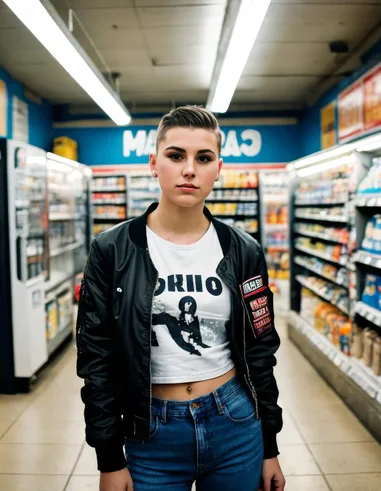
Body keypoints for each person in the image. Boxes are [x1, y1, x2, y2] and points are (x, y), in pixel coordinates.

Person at [76, 105, 285, 491]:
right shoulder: (111, 250)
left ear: (217, 169)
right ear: (155, 164)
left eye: (203, 158)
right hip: (150, 431)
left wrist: (269, 444)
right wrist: (109, 458)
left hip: (235, 424)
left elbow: (259, 350)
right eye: (176, 156)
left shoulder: (244, 251)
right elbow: (96, 357)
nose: (189, 169)